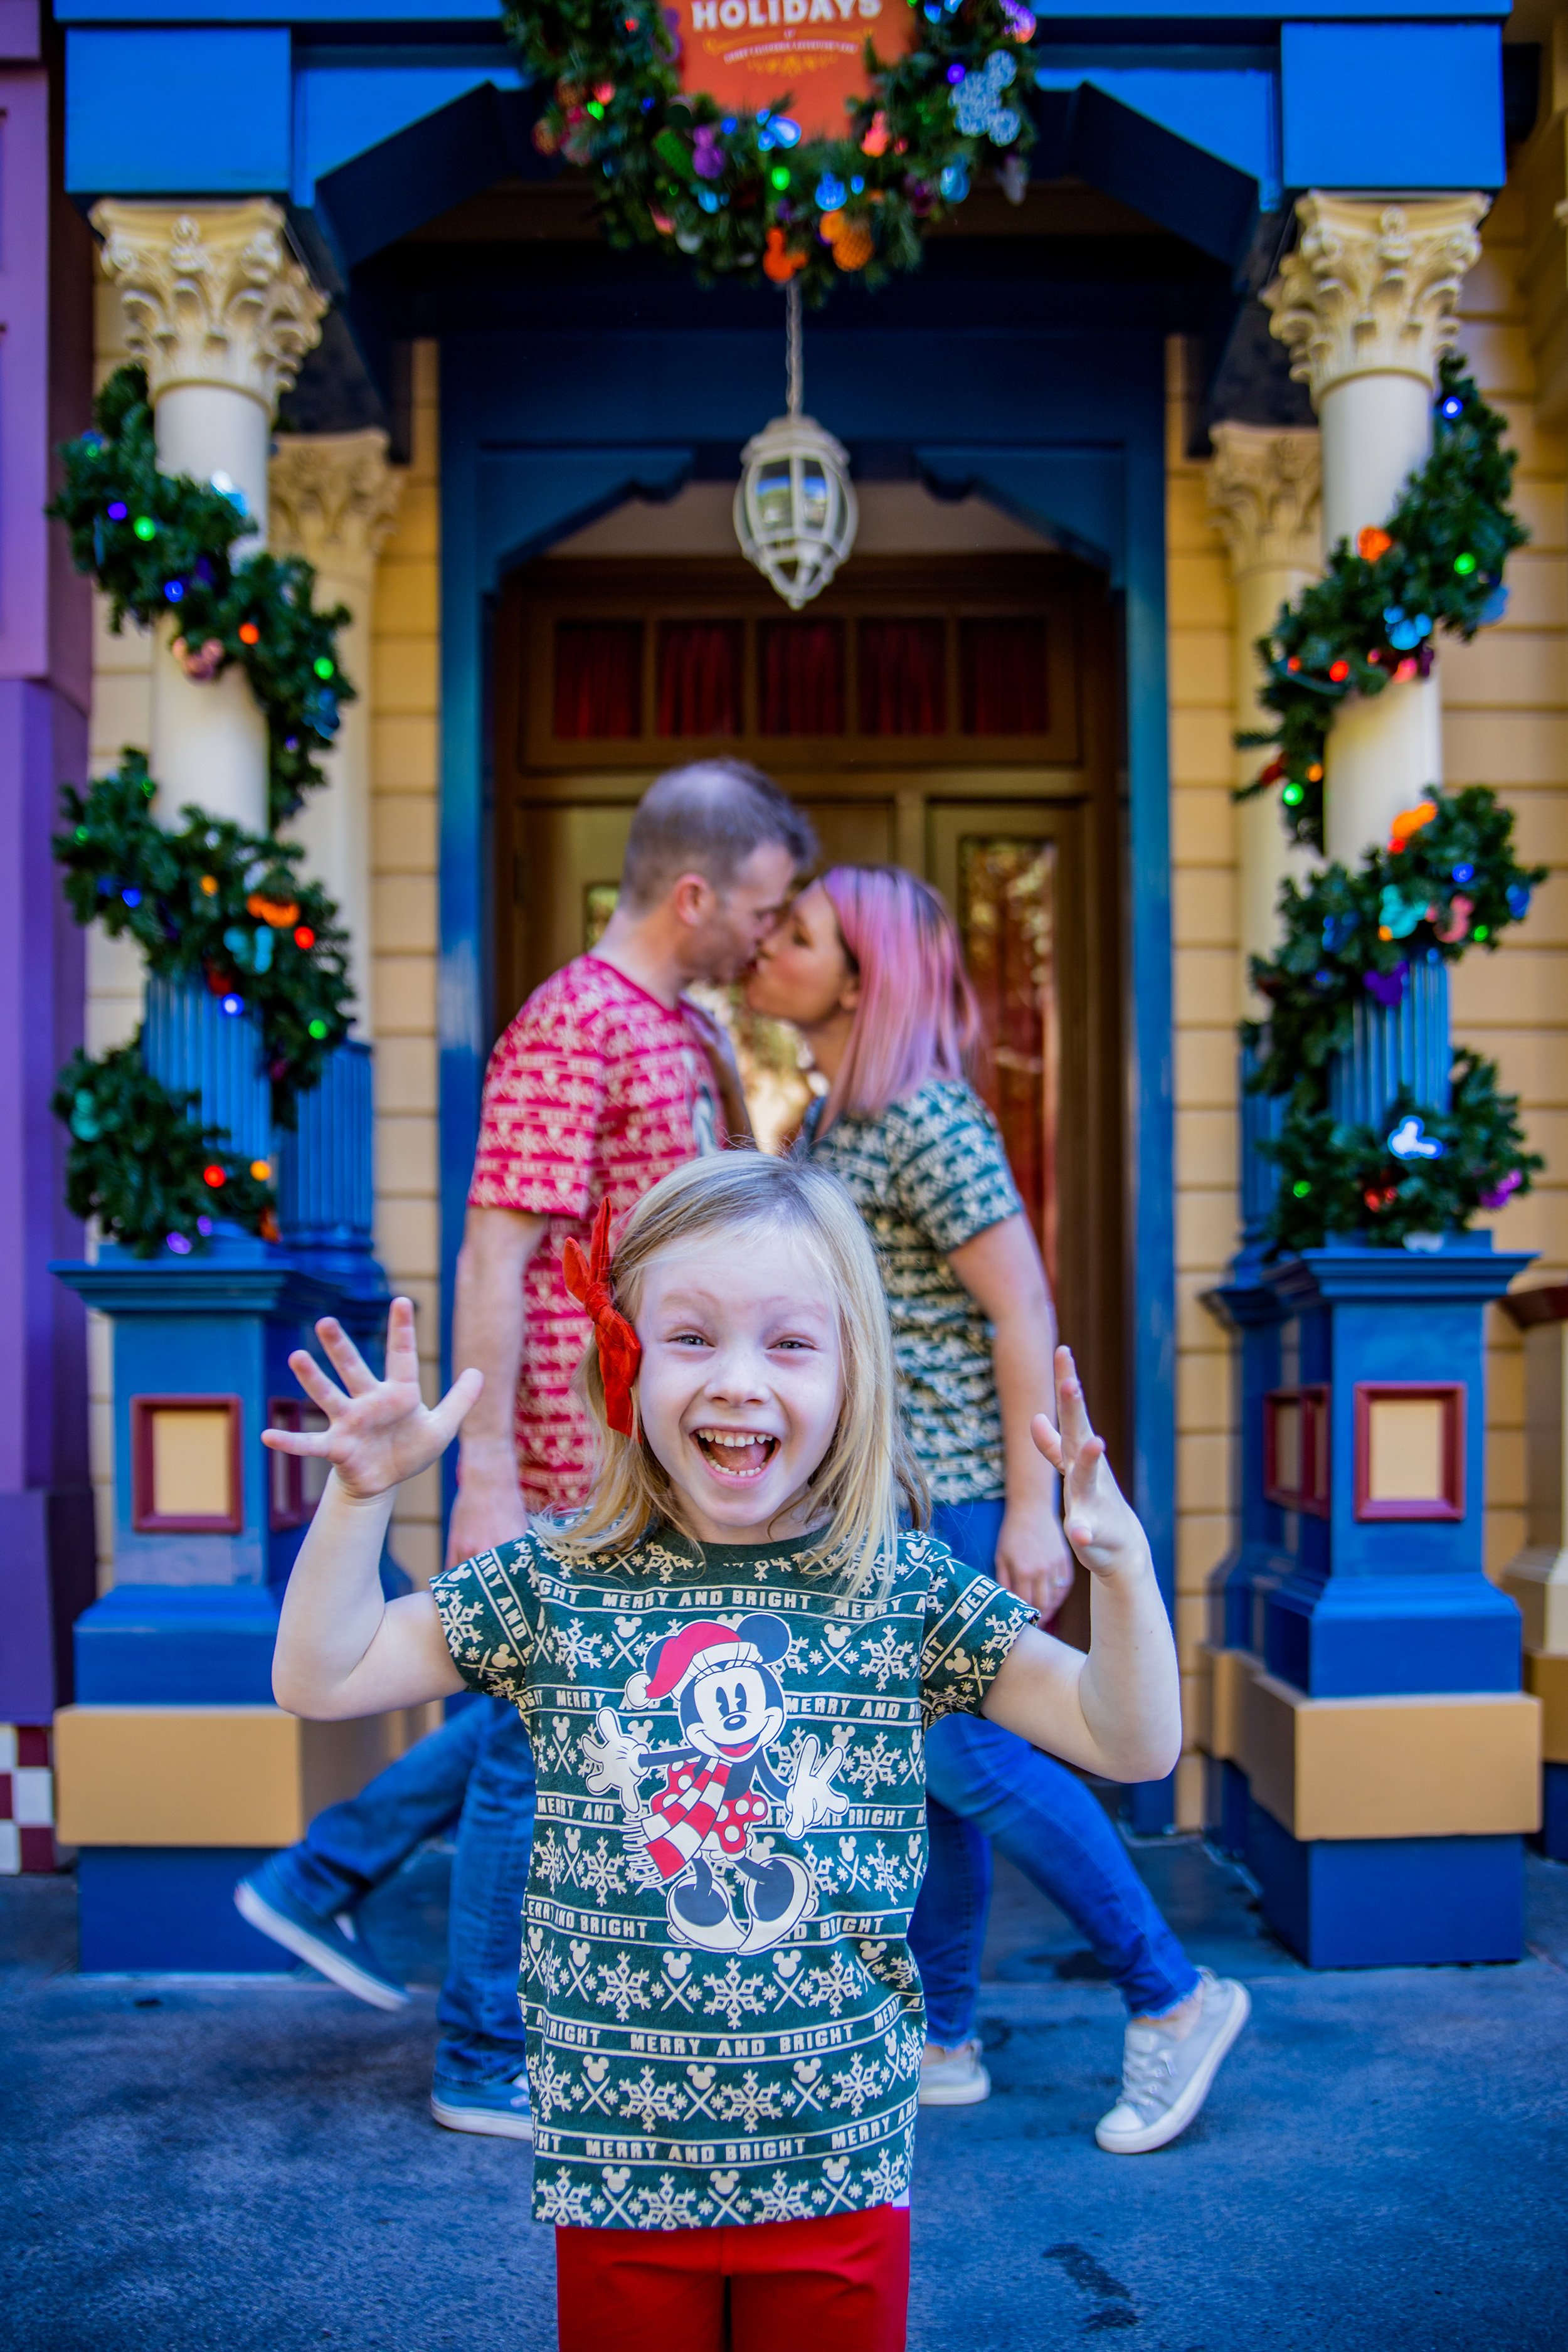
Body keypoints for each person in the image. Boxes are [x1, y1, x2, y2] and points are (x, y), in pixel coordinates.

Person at [262, 1149, 1182, 2352]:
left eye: (790, 1344)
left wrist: (1123, 1571)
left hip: (840, 2156)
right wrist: (361, 1498)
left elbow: (1131, 1737)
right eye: (691, 1337)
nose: (739, 1381)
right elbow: (320, 1674)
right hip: (620, 2161)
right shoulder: (557, 1579)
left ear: (854, 1372)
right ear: (623, 1361)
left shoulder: (901, 1588)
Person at [238, 756, 813, 2140]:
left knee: (521, 1715)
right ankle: (479, 2052)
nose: (768, 934)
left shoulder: (673, 1028)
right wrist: (481, 1478)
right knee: (523, 1748)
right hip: (564, 1456)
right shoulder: (572, 1027)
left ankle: (321, 1879)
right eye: (763, 906)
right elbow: (498, 1247)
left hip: (634, 1449)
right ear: (693, 894)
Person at [746, 867, 1249, 2155]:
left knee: (967, 1755)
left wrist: (1035, 1508)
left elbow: (1019, 1308)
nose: (767, 947)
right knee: (930, 1782)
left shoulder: (924, 1116)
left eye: (796, 935)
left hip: (959, 1492)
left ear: (864, 975)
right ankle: (943, 2035)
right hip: (881, 1499)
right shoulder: (827, 1120)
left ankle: (1171, 1995)